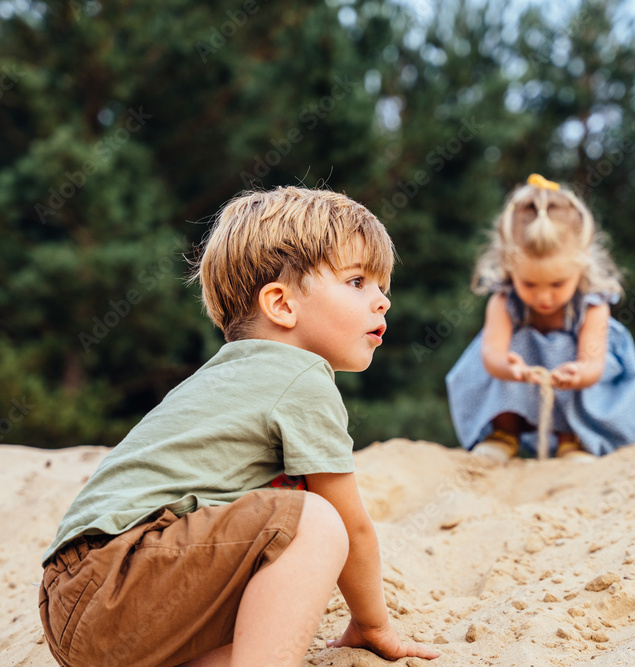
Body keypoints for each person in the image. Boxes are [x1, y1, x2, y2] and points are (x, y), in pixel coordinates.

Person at [38, 186, 440, 667]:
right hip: (117, 577)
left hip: (74, 607)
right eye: (357, 282)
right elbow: (352, 525)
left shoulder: (223, 378)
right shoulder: (299, 376)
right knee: (314, 521)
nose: (382, 302)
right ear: (281, 304)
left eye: (382, 287)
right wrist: (372, 624)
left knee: (269, 588)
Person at [446, 174, 635, 461]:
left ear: (581, 266)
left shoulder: (593, 307)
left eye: (557, 284)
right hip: (521, 384)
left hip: (579, 387)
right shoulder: (503, 302)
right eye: (529, 284)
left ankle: (573, 439)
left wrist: (579, 372)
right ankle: (505, 433)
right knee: (513, 346)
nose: (543, 297)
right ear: (509, 265)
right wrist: (508, 366)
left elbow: (594, 362)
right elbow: (491, 353)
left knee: (566, 349)